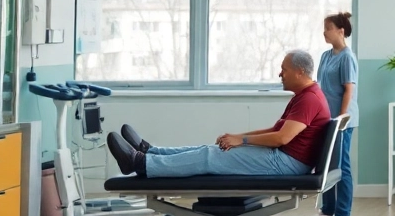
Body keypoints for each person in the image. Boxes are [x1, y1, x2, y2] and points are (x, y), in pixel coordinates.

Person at [107, 51, 331, 178]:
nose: (280, 74)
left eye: (285, 69)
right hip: (284, 158)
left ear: (300, 72)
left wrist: (241, 140)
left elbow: (282, 138)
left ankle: (141, 165)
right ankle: (150, 152)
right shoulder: (304, 95)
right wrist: (236, 136)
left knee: (210, 157)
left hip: (286, 164)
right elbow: (276, 131)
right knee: (212, 150)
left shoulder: (310, 98)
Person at [306, 12, 359, 216]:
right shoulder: (326, 56)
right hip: (325, 119)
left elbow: (349, 89)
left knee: (342, 166)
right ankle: (327, 211)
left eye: (328, 28)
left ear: (341, 30)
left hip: (342, 120)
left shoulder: (347, 57)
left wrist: (340, 117)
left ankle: (343, 215)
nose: (324, 32)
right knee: (326, 165)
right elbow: (319, 87)